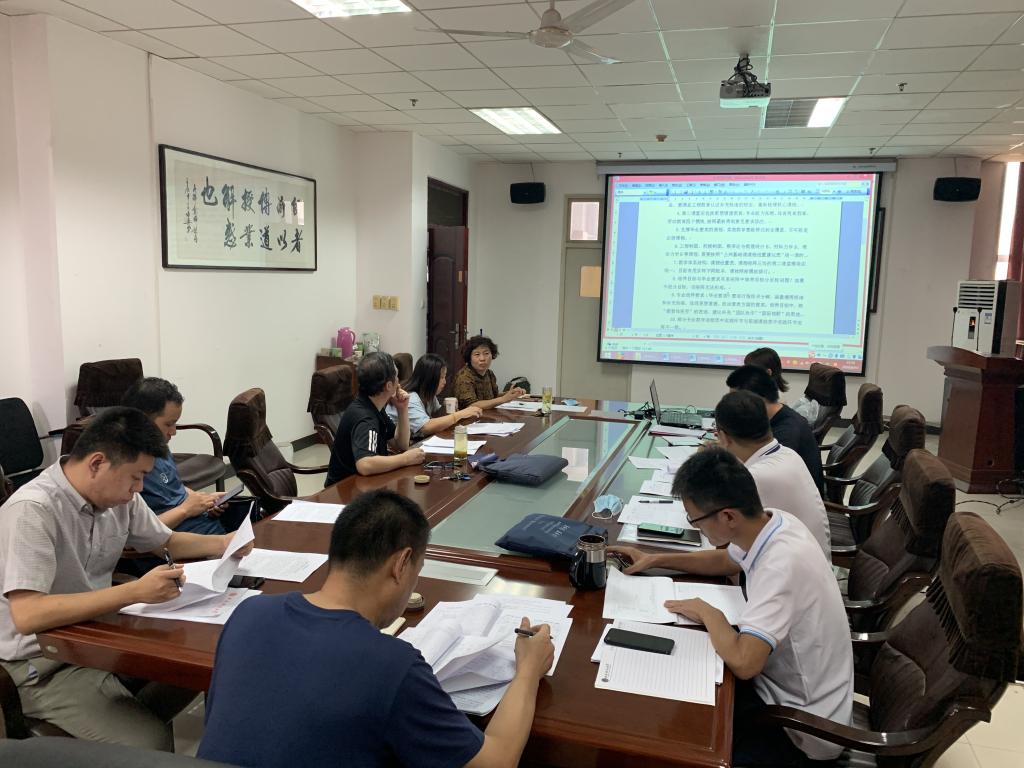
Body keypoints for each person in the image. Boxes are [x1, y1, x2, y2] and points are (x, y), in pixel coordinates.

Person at [198, 489, 555, 768]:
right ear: (401, 565)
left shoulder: (249, 612)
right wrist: (528, 669)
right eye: (417, 572)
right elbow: (496, 761)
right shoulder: (392, 665)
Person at [0, 407, 253, 750]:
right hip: (42, 663)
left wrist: (224, 544)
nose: (139, 488)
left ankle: (121, 727)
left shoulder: (118, 497)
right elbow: (29, 614)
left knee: (205, 667)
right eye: (136, 477)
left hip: (97, 638)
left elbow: (164, 541)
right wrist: (134, 591)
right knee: (151, 741)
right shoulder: (33, 510)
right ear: (97, 463)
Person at [609, 449, 852, 767]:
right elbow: (726, 559)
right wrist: (654, 559)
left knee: (672, 733)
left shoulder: (781, 565)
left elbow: (745, 663)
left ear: (727, 517)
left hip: (801, 729)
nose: (696, 527)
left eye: (695, 520)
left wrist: (709, 613)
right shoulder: (775, 522)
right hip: (787, 689)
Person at [713, 391, 829, 557]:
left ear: (723, 437)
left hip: (789, 568)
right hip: (809, 562)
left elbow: (718, 539)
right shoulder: (787, 454)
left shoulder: (756, 477)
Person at [120, 377, 224, 535]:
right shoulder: (124, 465)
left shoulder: (158, 446)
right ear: (141, 420)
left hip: (204, 525)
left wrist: (203, 501)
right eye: (168, 424)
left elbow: (174, 486)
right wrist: (186, 510)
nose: (174, 432)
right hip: (181, 540)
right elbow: (136, 536)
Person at [325, 352, 425, 487]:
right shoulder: (366, 417)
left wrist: (402, 409)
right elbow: (365, 464)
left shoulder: (374, 406)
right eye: (396, 376)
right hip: (344, 490)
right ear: (389, 386)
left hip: (363, 484)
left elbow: (401, 444)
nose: (399, 381)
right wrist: (406, 459)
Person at [726, 365, 823, 488]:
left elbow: (758, 477)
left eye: (737, 403)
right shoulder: (777, 415)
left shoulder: (786, 433)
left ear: (757, 400)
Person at [386, 353, 482, 438]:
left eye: (445, 377)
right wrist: (460, 414)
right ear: (430, 379)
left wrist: (445, 408)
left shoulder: (429, 394)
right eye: (441, 377)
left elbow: (436, 416)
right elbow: (426, 427)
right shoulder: (411, 398)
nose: (444, 382)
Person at [451, 335, 525, 410]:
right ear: (469, 358)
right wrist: (503, 399)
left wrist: (510, 394)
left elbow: (494, 397)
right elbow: (472, 405)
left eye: (486, 353)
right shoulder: (464, 377)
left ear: (492, 355)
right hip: (467, 416)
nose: (482, 359)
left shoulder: (489, 374)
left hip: (487, 415)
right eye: (477, 354)